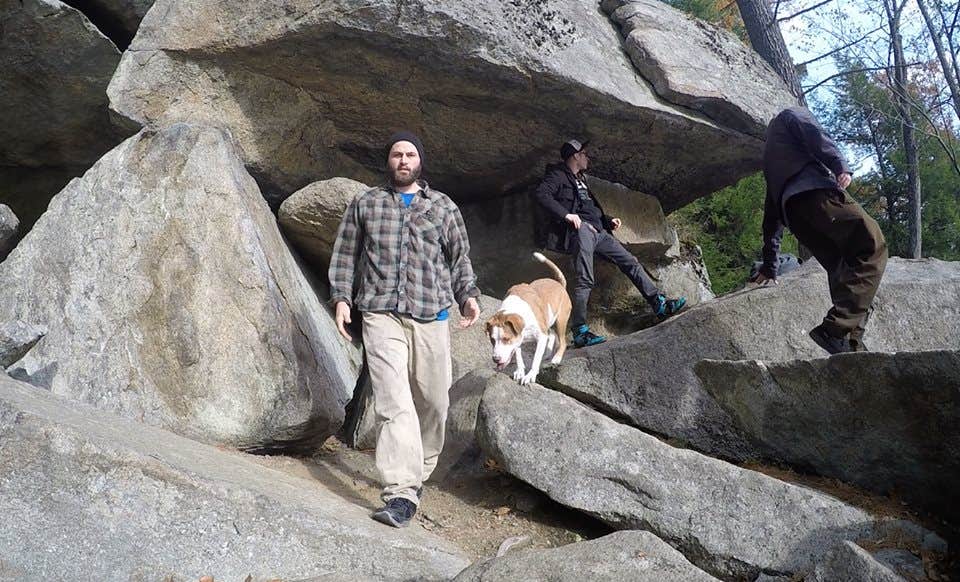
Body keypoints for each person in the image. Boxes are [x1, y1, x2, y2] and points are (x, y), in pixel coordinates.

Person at [328, 131, 481, 527]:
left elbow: (460, 259)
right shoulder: (366, 203)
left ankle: (419, 471)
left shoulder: (443, 207)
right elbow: (345, 253)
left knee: (434, 402)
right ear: (389, 161)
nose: (403, 160)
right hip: (380, 312)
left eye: (410, 154)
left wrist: (468, 295)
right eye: (397, 154)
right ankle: (401, 491)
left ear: (420, 162)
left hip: (431, 314)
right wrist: (341, 297)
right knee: (393, 401)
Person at [751, 106, 887, 354]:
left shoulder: (771, 158)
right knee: (871, 243)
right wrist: (839, 164)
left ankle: (848, 344)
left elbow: (771, 216)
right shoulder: (789, 115)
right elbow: (813, 131)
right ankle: (836, 330)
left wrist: (770, 265)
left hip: (796, 218)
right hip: (816, 196)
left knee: (843, 267)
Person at [533, 139, 686, 348]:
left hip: (600, 232)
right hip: (581, 232)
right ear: (575, 155)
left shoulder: (581, 179)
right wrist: (567, 215)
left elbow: (588, 208)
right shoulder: (558, 175)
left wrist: (608, 220)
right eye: (584, 154)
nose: (588, 157)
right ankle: (580, 331)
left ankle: (659, 304)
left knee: (630, 261)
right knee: (585, 279)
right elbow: (541, 194)